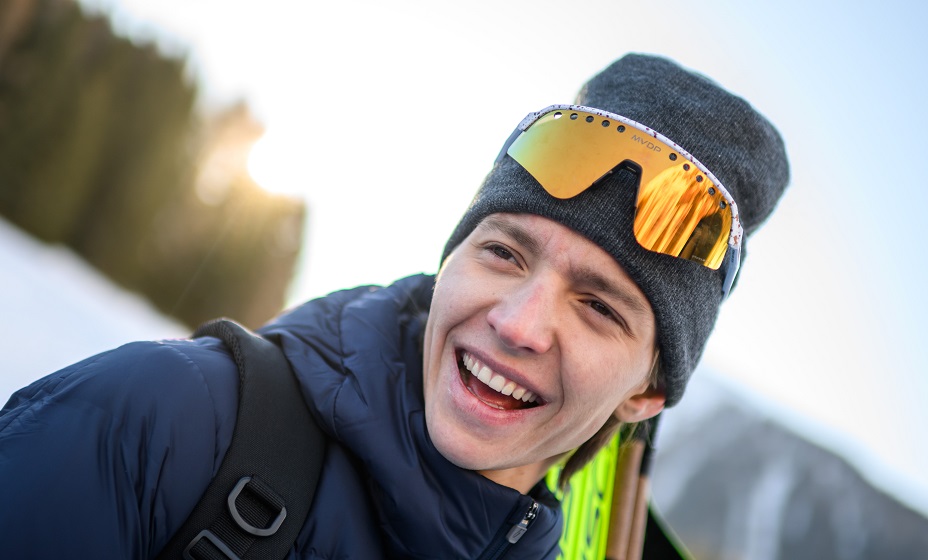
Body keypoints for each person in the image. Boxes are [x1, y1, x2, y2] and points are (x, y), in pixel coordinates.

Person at [0, 53, 789, 559]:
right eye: (503, 253)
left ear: (646, 394)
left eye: (597, 307)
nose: (517, 323)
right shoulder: (166, 419)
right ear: (451, 262)